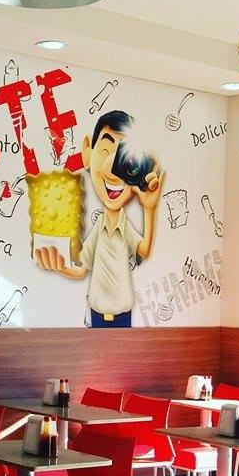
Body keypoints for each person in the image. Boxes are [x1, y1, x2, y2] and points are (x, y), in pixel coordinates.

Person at [34, 110, 163, 327]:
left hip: (123, 316)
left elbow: (144, 250)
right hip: (97, 315)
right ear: (88, 153)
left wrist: (150, 209)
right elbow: (81, 270)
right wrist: (60, 266)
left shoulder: (125, 226)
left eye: (124, 160)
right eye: (105, 151)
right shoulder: (98, 229)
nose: (112, 170)